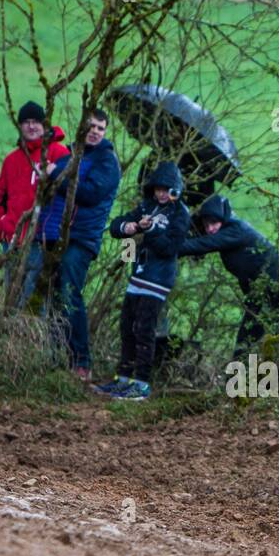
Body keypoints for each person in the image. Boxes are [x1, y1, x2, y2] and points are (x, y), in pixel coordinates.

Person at [39, 110, 121, 382]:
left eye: (101, 127)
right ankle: (54, 356)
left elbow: (88, 194)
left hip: (83, 237)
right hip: (57, 234)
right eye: (91, 126)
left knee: (70, 293)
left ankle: (82, 362)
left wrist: (55, 176)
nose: (96, 131)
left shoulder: (107, 161)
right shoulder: (72, 153)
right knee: (52, 295)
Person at [99, 161, 191, 401]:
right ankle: (122, 379)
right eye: (157, 189)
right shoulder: (146, 206)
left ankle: (141, 384)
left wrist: (150, 231)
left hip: (158, 280)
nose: (160, 193)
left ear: (175, 190)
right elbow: (116, 226)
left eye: (165, 189)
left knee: (144, 330)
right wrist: (129, 227)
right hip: (138, 275)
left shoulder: (181, 214)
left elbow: (170, 248)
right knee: (127, 327)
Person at [178, 194, 279, 357]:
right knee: (248, 336)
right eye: (206, 225)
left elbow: (203, 244)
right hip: (260, 294)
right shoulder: (230, 231)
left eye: (213, 223)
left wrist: (170, 247)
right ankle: (241, 373)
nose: (210, 229)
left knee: (276, 335)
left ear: (222, 218)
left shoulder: (236, 230)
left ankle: (250, 373)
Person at [0, 102, 69, 307]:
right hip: (13, 237)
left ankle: (32, 337)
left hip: (40, 238)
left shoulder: (58, 153)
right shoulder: (11, 160)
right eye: (26, 122)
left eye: (36, 122)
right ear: (20, 126)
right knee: (12, 295)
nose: (31, 126)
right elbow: (0, 197)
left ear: (45, 125)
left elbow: (69, 190)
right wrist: (3, 225)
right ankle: (10, 336)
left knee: (34, 298)